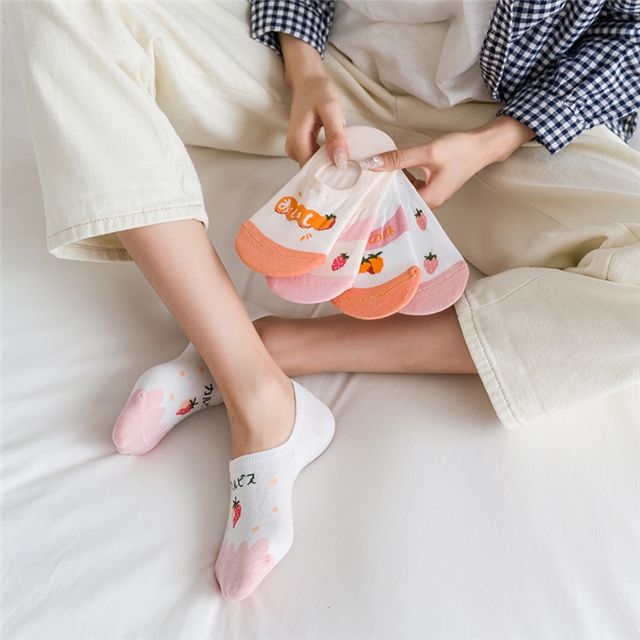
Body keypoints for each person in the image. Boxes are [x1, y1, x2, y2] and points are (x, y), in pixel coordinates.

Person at [4, 0, 638, 601]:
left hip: (505, 121)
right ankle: (254, 386)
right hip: (330, 78)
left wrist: (493, 140)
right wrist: (305, 68)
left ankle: (274, 345)